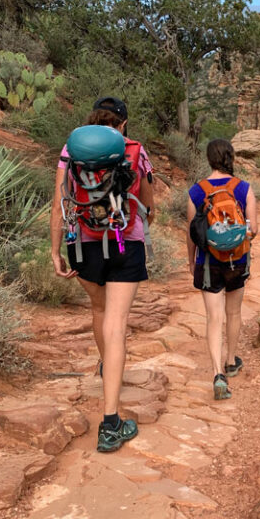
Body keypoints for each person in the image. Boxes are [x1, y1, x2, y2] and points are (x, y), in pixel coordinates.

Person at [50, 97, 155, 452]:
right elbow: (148, 202)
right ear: (123, 123)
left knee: (99, 311)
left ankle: (107, 366)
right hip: (125, 242)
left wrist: (54, 250)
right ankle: (111, 422)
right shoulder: (134, 151)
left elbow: (59, 201)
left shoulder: (71, 149)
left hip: (82, 244)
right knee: (117, 323)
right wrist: (143, 220)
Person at [187, 139, 257, 400]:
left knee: (214, 317)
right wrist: (236, 239)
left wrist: (191, 259)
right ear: (231, 158)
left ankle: (218, 373)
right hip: (237, 261)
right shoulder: (244, 189)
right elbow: (255, 229)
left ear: (209, 159)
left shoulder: (197, 191)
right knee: (234, 311)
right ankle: (231, 360)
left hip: (208, 263)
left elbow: (192, 232)